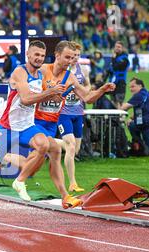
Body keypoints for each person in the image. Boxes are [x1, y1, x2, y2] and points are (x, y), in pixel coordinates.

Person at [0, 40, 66, 223]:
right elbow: (27, 99)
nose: (39, 58)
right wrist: (49, 93)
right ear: (28, 54)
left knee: (43, 145)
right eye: (36, 54)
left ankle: (19, 181)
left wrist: (55, 93)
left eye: (42, 56)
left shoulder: (41, 73)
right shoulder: (20, 72)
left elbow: (50, 81)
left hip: (27, 126)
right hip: (8, 128)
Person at [29, 40, 116, 198]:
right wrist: (48, 93)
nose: (71, 61)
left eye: (73, 57)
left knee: (37, 162)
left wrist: (102, 89)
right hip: (33, 121)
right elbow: (24, 93)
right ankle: (68, 189)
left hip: (53, 122)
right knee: (59, 149)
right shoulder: (41, 70)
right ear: (57, 55)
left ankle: (65, 193)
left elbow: (87, 97)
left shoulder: (71, 77)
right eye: (68, 57)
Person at [56, 42, 91, 192]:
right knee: (70, 146)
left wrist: (82, 91)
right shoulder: (64, 71)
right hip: (63, 113)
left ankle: (47, 142)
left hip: (78, 112)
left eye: (77, 55)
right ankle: (72, 183)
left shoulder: (83, 70)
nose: (75, 58)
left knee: (74, 149)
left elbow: (88, 86)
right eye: (72, 56)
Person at [108, 41, 130, 108]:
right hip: (112, 82)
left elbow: (116, 67)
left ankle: (120, 117)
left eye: (119, 47)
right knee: (113, 101)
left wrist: (113, 59)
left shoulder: (124, 59)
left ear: (122, 48)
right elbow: (110, 70)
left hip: (120, 83)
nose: (117, 48)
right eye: (116, 46)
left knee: (120, 102)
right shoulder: (114, 58)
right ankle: (116, 117)